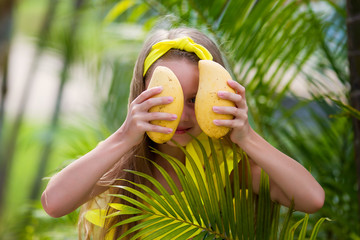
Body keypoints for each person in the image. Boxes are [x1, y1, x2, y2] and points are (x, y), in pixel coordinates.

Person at [41, 27, 325, 239]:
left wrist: (247, 137)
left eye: (194, 99)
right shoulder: (126, 167)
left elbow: (312, 199)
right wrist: (124, 136)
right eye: (168, 99)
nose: (181, 115)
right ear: (141, 98)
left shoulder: (231, 169)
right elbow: (53, 203)